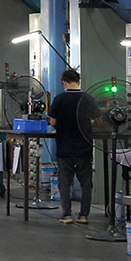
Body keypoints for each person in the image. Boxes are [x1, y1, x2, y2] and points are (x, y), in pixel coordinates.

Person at [47, 69, 93, 224]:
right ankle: (84, 215)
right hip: (84, 148)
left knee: (65, 183)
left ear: (63, 82)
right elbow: (98, 120)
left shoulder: (59, 99)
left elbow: (53, 122)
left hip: (65, 147)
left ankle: (66, 215)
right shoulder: (87, 99)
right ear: (78, 81)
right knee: (86, 183)